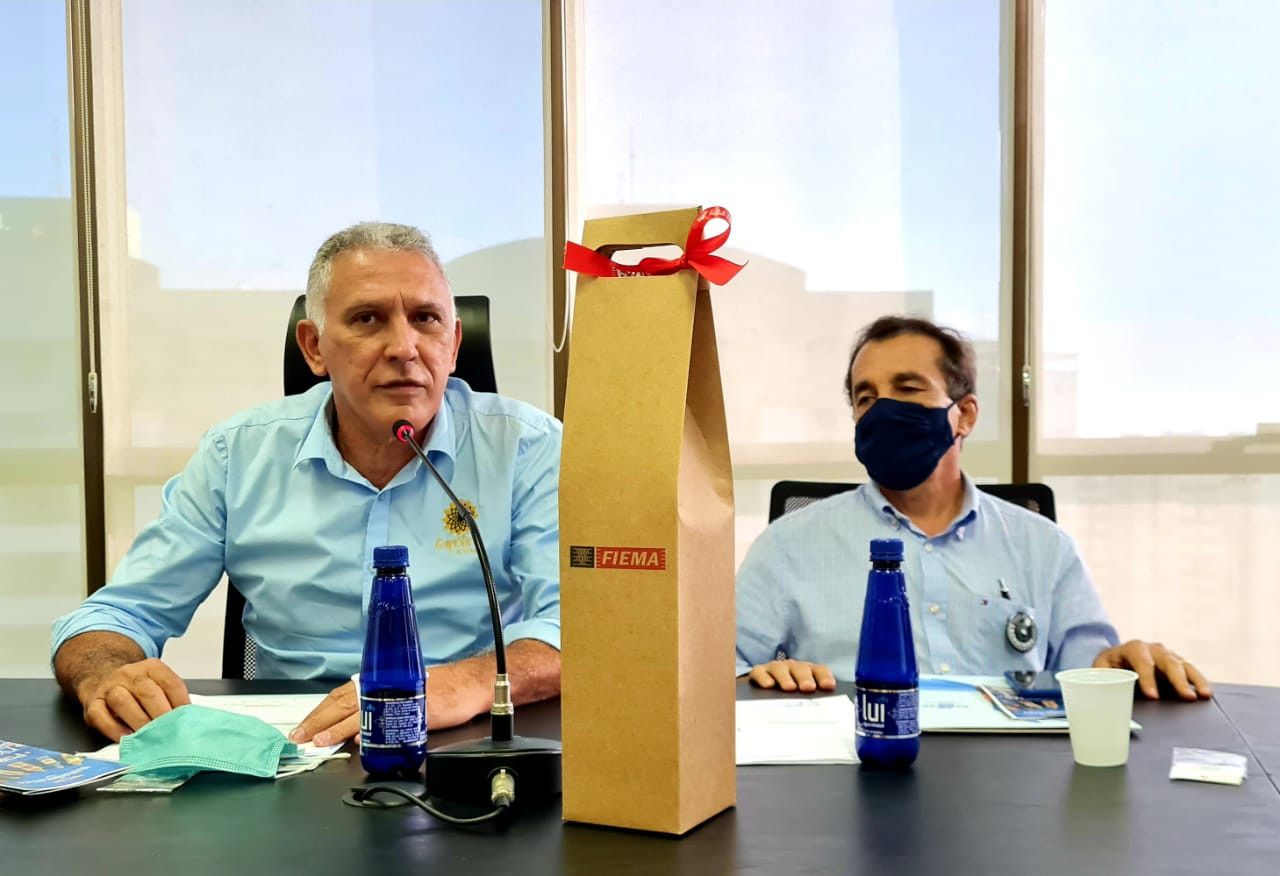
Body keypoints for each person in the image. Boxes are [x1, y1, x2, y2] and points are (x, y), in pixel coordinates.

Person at [52, 221, 563, 743]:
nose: (404, 347)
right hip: (292, 746)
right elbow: (117, 614)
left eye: (426, 319)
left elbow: (578, 625)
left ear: (453, 345)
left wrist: (465, 683)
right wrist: (106, 675)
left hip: (464, 738)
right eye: (368, 319)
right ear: (314, 347)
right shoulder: (238, 454)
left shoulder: (526, 448)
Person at [736, 315, 1211, 701]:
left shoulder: (1043, 546)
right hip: (850, 768)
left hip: (1010, 778)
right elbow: (722, 670)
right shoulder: (788, 544)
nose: (883, 410)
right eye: (866, 397)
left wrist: (1127, 664)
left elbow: (1090, 675)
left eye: (907, 389)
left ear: (964, 414)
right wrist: (765, 675)